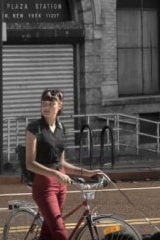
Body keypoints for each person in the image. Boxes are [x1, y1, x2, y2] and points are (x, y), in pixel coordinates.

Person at [24, 88, 106, 240]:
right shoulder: (34, 128)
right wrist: (55, 173)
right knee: (60, 232)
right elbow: (30, 164)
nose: (46, 107)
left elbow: (61, 163)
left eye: (50, 104)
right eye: (43, 104)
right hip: (44, 186)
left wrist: (86, 173)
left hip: (62, 186)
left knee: (49, 231)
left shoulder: (61, 128)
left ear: (60, 106)